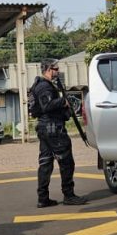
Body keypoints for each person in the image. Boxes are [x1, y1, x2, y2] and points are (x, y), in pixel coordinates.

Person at [30, 58, 88, 207]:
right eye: (56, 69)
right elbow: (47, 105)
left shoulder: (40, 85)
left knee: (46, 163)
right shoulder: (44, 87)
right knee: (66, 162)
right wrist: (63, 102)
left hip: (46, 129)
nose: (58, 71)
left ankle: (43, 198)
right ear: (49, 69)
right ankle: (68, 195)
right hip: (53, 129)